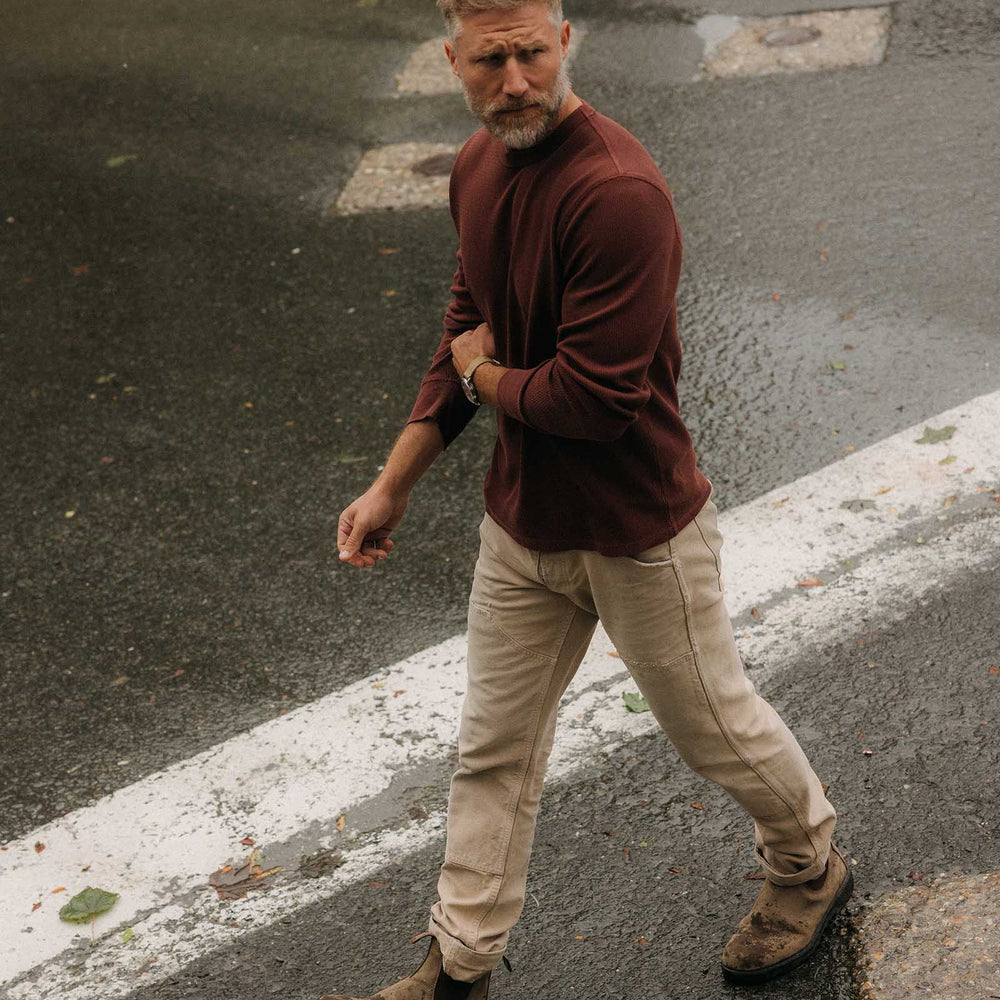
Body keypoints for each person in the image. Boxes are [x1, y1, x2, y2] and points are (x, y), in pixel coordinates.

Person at [326, 1, 852, 996]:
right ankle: (458, 966)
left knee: (715, 730)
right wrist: (394, 481)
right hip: (522, 526)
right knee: (493, 750)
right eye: (490, 61)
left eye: (531, 53)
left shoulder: (617, 192)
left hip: (636, 531)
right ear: (452, 58)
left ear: (566, 42)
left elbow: (595, 401)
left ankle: (807, 863)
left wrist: (484, 377)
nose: (515, 82)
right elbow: (464, 325)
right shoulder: (478, 167)